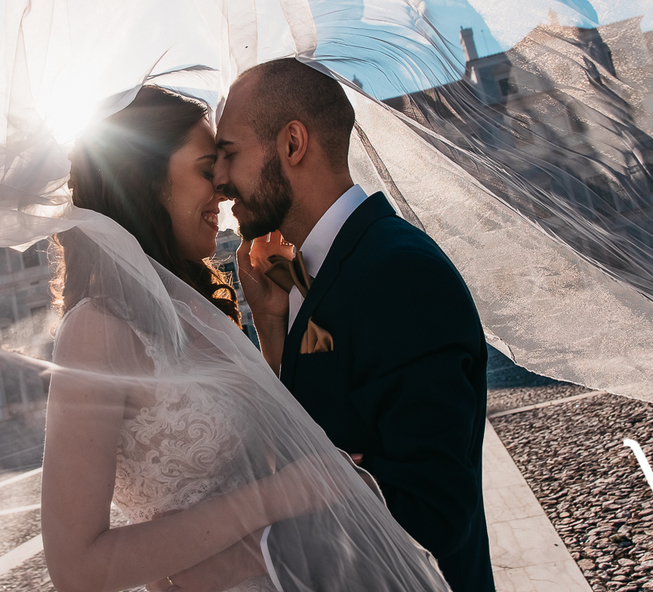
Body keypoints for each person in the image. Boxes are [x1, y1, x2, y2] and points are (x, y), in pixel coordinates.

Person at [41, 85, 449, 592]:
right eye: (205, 167)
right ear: (143, 179)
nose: (222, 187)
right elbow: (76, 569)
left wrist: (270, 326)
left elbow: (264, 442)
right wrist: (281, 497)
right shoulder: (96, 328)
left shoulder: (193, 307)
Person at [213, 58, 493, 592]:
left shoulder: (398, 273)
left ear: (292, 143)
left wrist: (303, 499)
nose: (220, 181)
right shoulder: (305, 277)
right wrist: (274, 335)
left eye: (229, 154)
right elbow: (323, 428)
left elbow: (434, 513)